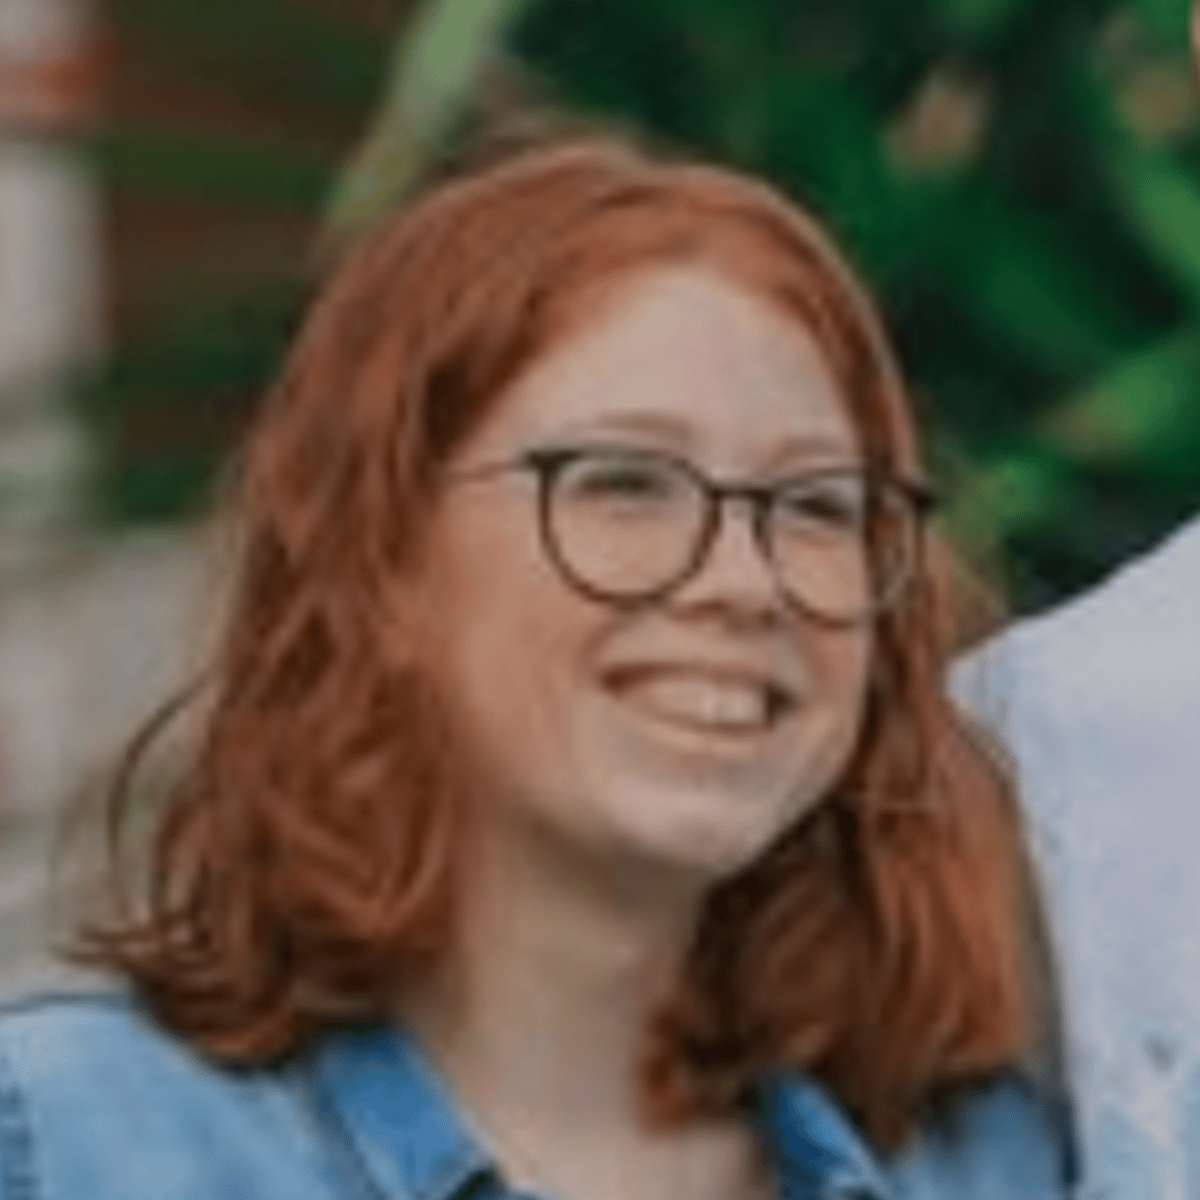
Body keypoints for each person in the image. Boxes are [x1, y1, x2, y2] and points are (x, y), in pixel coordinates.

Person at [0, 140, 1071, 1198]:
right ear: (383, 558)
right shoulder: (70, 1144)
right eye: (625, 482)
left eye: (818, 504)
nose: (748, 582)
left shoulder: (998, 1170)